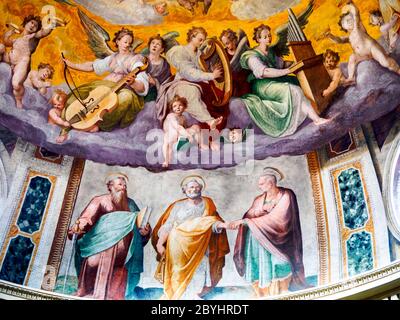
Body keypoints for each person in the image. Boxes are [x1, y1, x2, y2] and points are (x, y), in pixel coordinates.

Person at [68, 173, 151, 300]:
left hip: (124, 252)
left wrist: (145, 231)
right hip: (99, 246)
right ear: (110, 186)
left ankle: (113, 296)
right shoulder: (100, 200)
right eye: (120, 185)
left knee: (118, 272)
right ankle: (88, 292)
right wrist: (78, 227)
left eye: (124, 185)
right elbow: (86, 218)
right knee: (92, 262)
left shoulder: (130, 203)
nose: (123, 187)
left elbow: (140, 221)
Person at [240, 24, 329, 138]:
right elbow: (264, 72)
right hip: (262, 85)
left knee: (298, 82)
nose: (269, 38)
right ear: (258, 39)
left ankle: (317, 118)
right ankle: (315, 119)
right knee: (292, 89)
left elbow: (281, 64)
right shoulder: (251, 56)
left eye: (269, 35)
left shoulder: (270, 51)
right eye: (265, 36)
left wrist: (295, 64)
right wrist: (287, 71)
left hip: (276, 79)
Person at [230, 168, 308, 297]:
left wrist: (247, 222)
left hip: (280, 237)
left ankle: (283, 289)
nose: (259, 186)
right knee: (258, 262)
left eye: (261, 183)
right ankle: (263, 292)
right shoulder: (259, 199)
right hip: (258, 238)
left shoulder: (286, 195)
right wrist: (251, 217)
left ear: (271, 183)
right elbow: (251, 213)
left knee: (280, 261)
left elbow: (280, 218)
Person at [152, 176, 230, 299]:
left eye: (197, 187)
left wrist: (223, 225)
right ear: (185, 189)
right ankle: (178, 295)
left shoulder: (207, 204)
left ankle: (194, 295)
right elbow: (168, 225)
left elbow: (212, 222)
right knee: (177, 270)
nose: (194, 189)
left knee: (199, 268)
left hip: (200, 244)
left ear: (201, 189)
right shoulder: (177, 205)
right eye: (191, 187)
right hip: (178, 244)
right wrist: (160, 243)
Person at [61, 28, 149, 135]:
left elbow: (143, 85)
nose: (127, 45)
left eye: (129, 43)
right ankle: (70, 118)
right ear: (118, 41)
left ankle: (99, 124)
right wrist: (72, 65)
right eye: (125, 42)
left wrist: (133, 83)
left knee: (125, 98)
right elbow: (92, 66)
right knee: (83, 94)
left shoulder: (135, 59)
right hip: (106, 86)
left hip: (123, 89)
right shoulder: (112, 58)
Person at [156, 27, 224, 133]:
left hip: (200, 83)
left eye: (203, 40)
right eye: (200, 39)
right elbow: (189, 72)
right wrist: (211, 75)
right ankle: (210, 121)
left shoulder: (200, 54)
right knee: (191, 93)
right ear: (192, 37)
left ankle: (213, 137)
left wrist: (213, 71)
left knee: (220, 98)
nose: (201, 43)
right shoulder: (180, 51)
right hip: (182, 82)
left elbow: (204, 69)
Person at [325, 0, 400, 86]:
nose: (349, 21)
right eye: (346, 21)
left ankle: (398, 70)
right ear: (343, 26)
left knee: (385, 62)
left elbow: (356, 14)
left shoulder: (358, 28)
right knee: (352, 57)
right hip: (363, 55)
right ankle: (351, 78)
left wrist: (352, 5)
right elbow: (338, 40)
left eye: (350, 19)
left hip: (372, 48)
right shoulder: (348, 37)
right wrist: (330, 36)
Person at [2, 15, 62, 108]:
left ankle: (18, 102)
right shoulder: (17, 39)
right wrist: (10, 32)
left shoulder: (33, 37)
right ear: (26, 23)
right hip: (10, 59)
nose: (33, 26)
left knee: (16, 84)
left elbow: (43, 32)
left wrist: (53, 24)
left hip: (21, 62)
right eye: (32, 23)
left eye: (36, 26)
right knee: (1, 47)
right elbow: (6, 42)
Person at [162, 95, 206, 168]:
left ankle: (200, 144)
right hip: (171, 134)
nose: (178, 107)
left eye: (180, 105)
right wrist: (188, 136)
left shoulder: (183, 117)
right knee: (167, 141)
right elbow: (178, 127)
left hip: (180, 134)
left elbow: (184, 128)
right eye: (175, 106)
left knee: (196, 127)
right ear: (172, 108)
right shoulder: (171, 116)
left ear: (184, 107)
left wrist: (190, 132)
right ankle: (166, 161)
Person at [219, 28, 251, 97]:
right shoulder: (223, 53)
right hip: (230, 84)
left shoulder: (243, 51)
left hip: (243, 82)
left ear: (234, 40)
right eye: (224, 44)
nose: (226, 46)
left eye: (227, 43)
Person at [144, 34, 172, 102]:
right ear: (149, 45)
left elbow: (167, 81)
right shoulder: (142, 59)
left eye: (158, 44)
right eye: (153, 43)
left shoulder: (165, 64)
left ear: (162, 49)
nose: (154, 46)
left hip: (158, 92)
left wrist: (155, 82)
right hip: (143, 88)